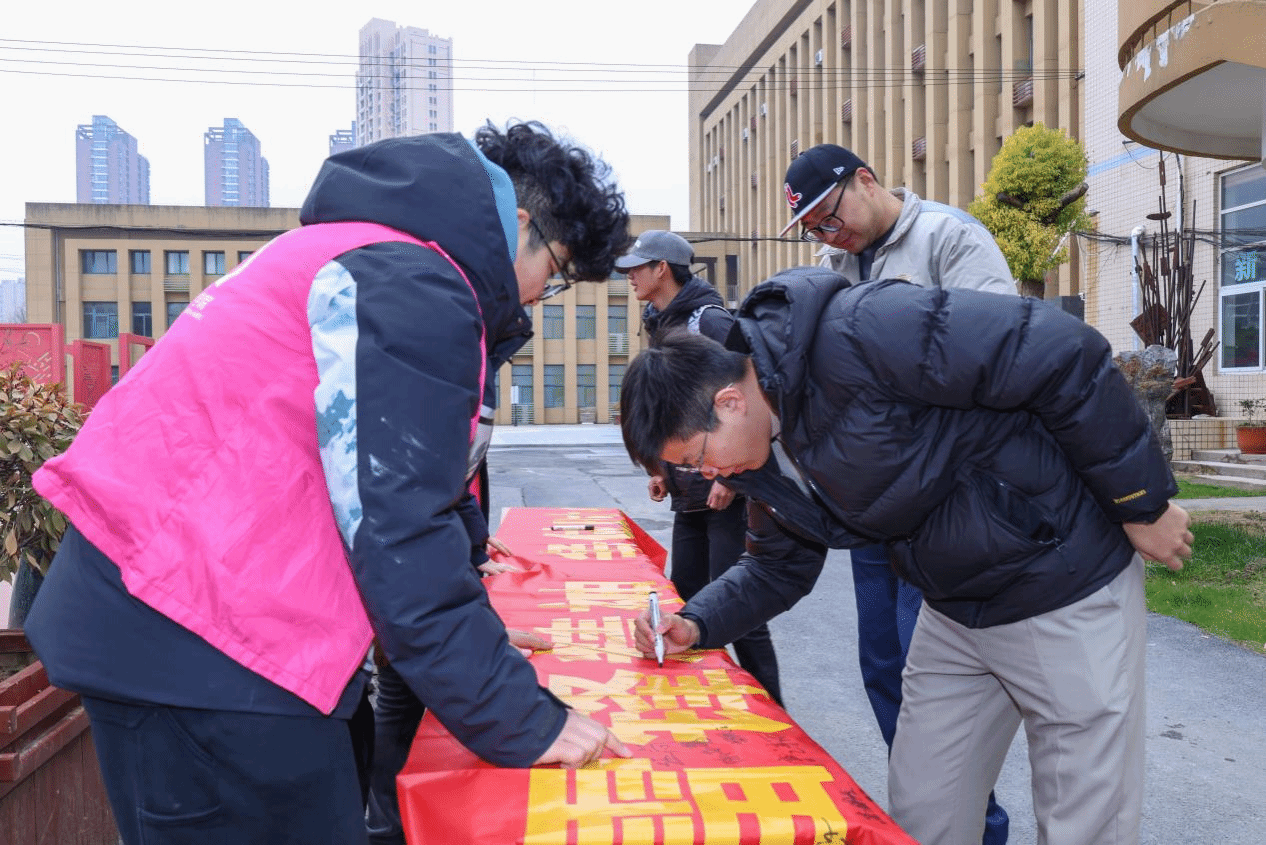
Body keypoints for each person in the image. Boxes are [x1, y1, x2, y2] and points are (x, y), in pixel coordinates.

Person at [23, 120, 632, 845]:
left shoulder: (358, 250)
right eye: (555, 274)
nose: (537, 299)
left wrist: (476, 637)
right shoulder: (414, 280)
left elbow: (412, 484)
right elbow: (400, 521)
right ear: (521, 224)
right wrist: (520, 716)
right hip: (199, 643)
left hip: (193, 620)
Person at [619, 269, 1194, 845]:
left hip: (1061, 584)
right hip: (954, 610)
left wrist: (1139, 502)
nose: (706, 474)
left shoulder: (859, 331)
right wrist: (696, 622)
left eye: (696, 458)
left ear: (729, 401)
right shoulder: (759, 458)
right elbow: (778, 564)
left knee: (1085, 823)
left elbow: (1059, 348)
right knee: (924, 815)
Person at [780, 143, 1017, 843]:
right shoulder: (834, 269)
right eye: (814, 228)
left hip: (942, 502)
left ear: (865, 180)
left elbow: (1001, 355)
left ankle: (975, 826)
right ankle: (926, 816)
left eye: (830, 217)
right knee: (883, 666)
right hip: (872, 504)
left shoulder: (949, 239)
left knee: (930, 677)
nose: (829, 234)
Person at [615, 230, 782, 705]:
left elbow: (744, 398)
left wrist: (732, 480)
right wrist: (660, 469)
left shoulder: (708, 319)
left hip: (723, 484)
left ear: (662, 269)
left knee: (743, 608)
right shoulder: (659, 320)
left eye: (637, 267)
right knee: (686, 597)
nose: (629, 276)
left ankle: (773, 710)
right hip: (687, 489)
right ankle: (703, 702)